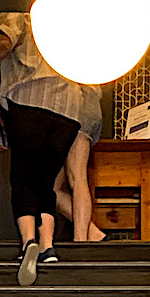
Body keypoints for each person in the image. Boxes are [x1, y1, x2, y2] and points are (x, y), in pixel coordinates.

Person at [0, 12, 83, 285]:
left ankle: (29, 241)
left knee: (23, 179)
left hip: (30, 102)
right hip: (69, 111)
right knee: (46, 183)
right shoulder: (68, 19)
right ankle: (48, 247)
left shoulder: (25, 16)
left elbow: (4, 44)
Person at [54, 89, 106, 243]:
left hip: (72, 104)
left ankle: (81, 241)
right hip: (88, 104)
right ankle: (92, 234)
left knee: (77, 178)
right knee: (52, 189)